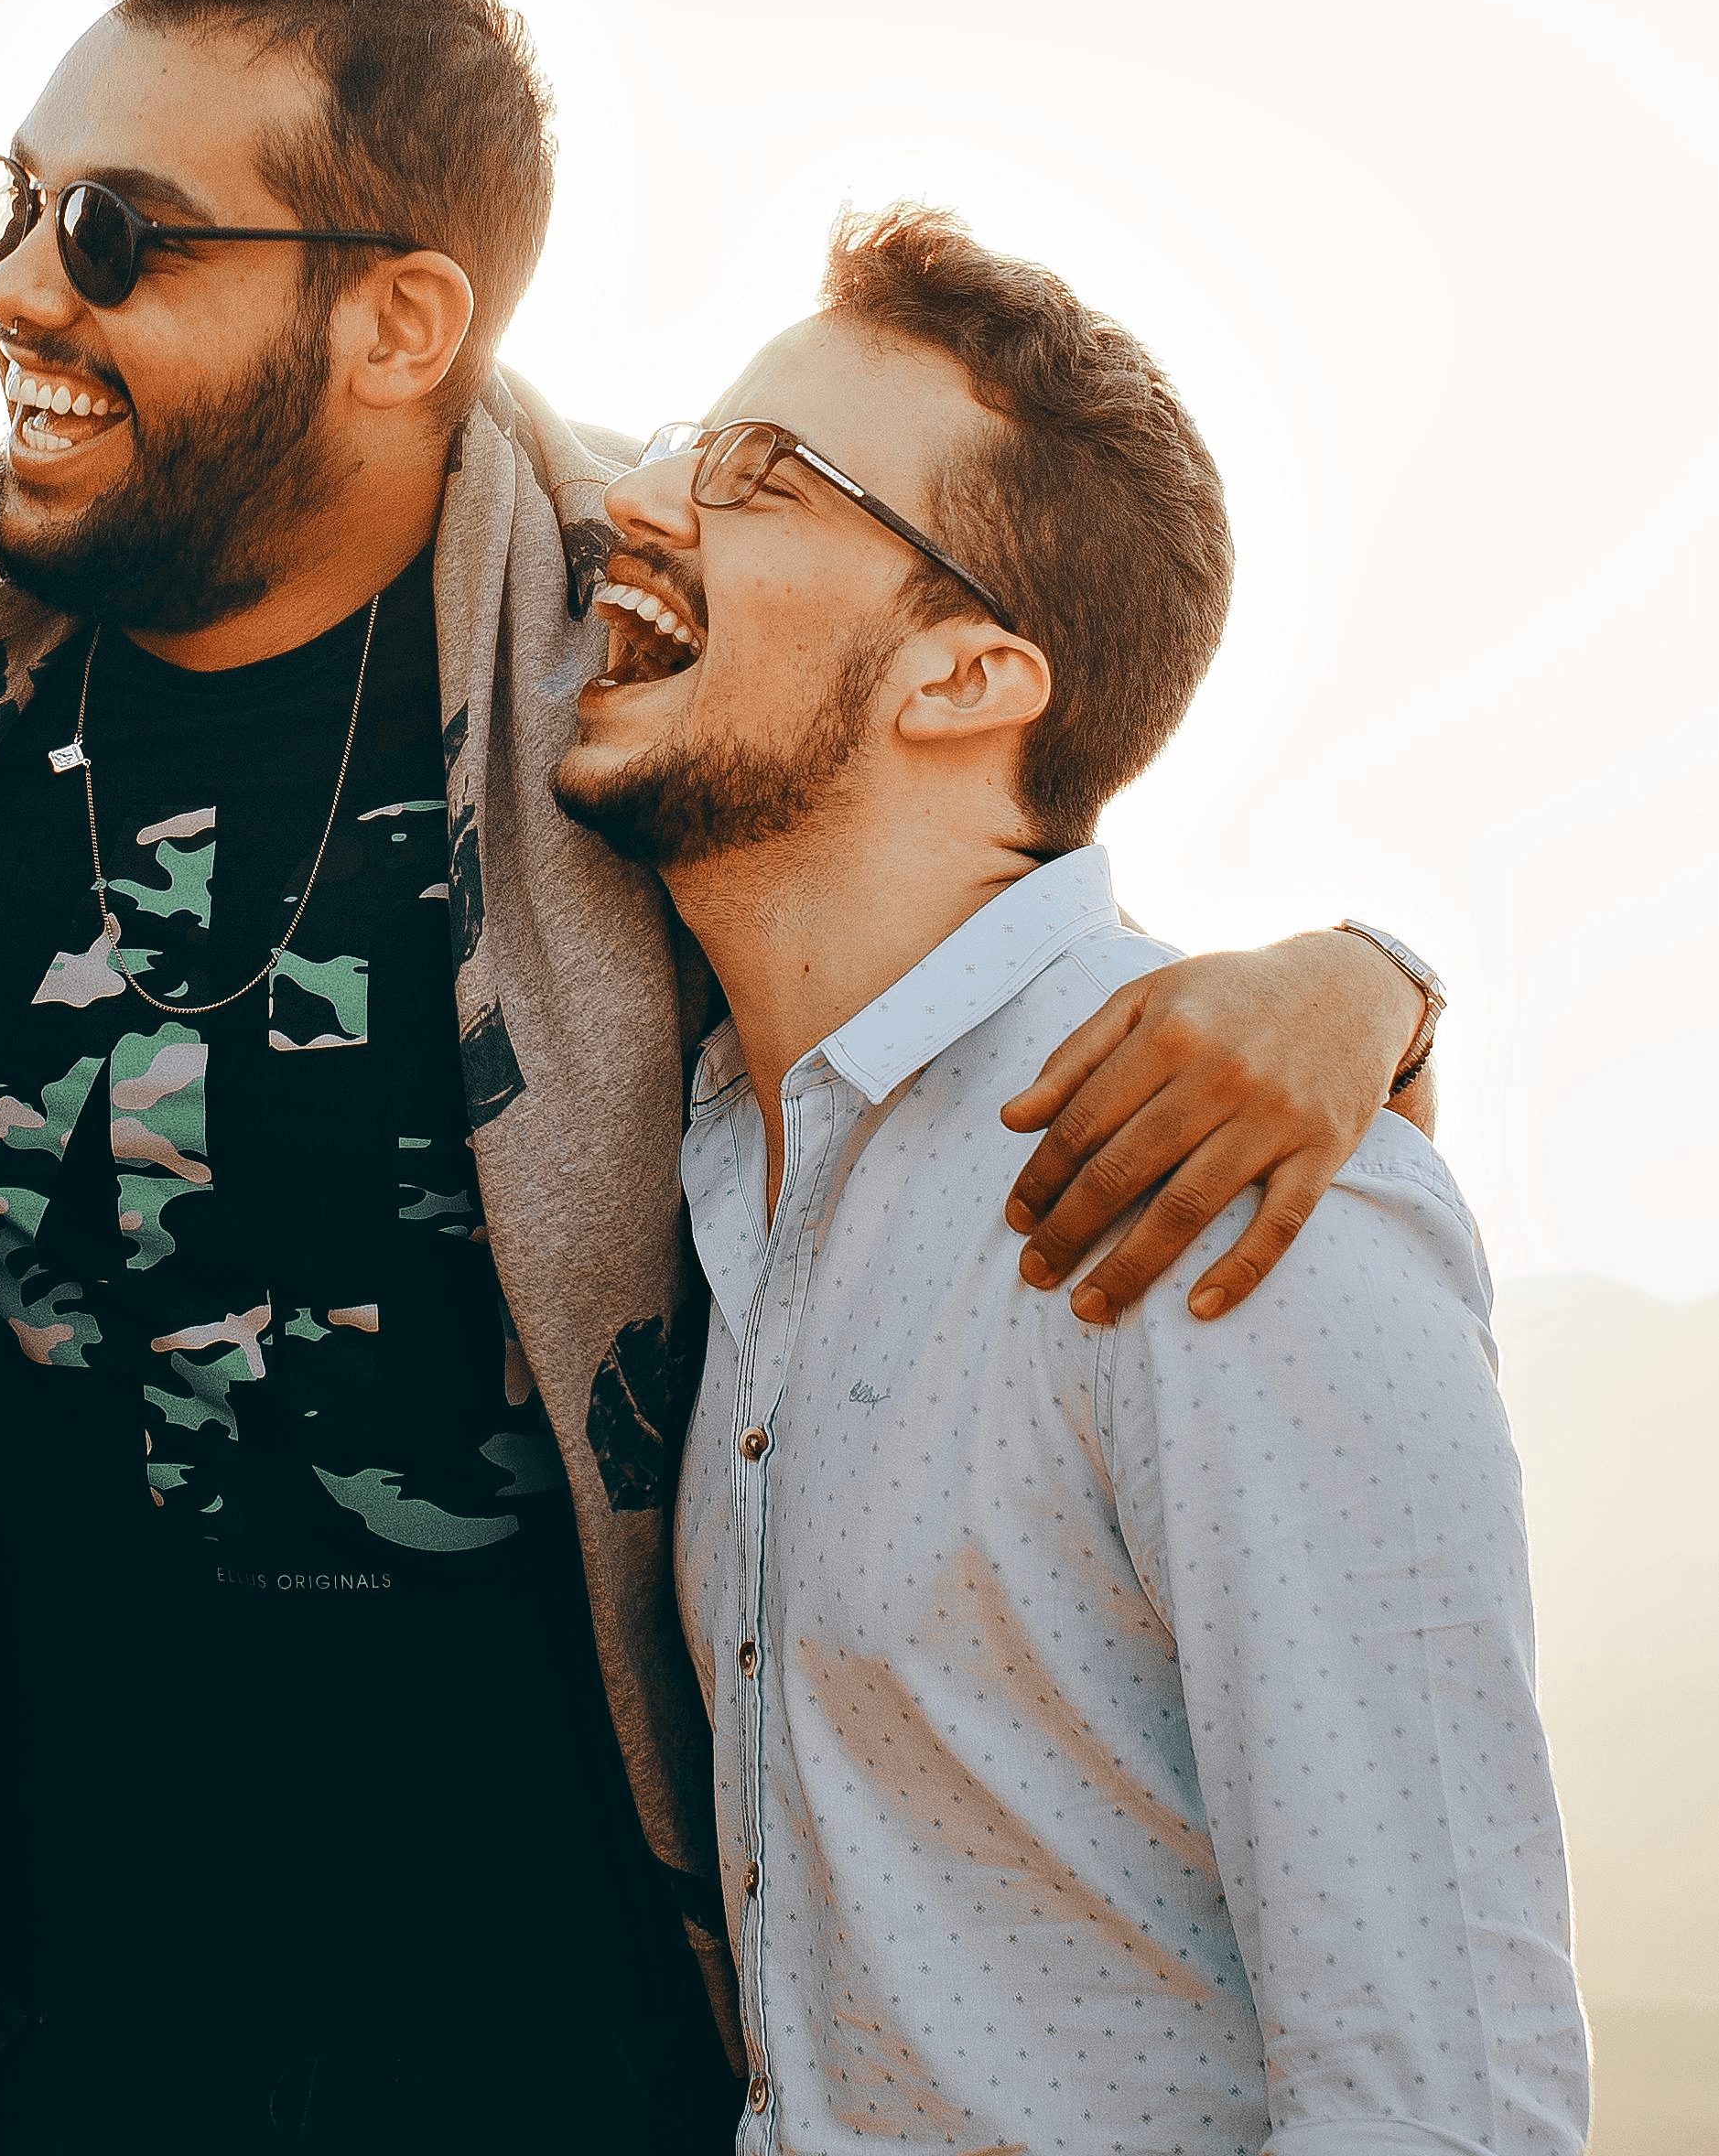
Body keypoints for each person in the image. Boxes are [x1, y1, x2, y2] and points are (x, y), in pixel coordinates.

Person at [0, 0, 1452, 2151]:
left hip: (596, 2062)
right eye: (16, 203)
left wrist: (1363, 979)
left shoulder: (628, 662)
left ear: (399, 320)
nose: (27, 286)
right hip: (59, 2047)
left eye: (122, 233)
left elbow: (957, 874)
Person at [554, 206, 1582, 2151]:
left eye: (762, 474)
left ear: (967, 678)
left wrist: (1377, 985)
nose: (639, 500)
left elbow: (1442, 2092)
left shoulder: (1235, 1187)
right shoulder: (735, 1164)